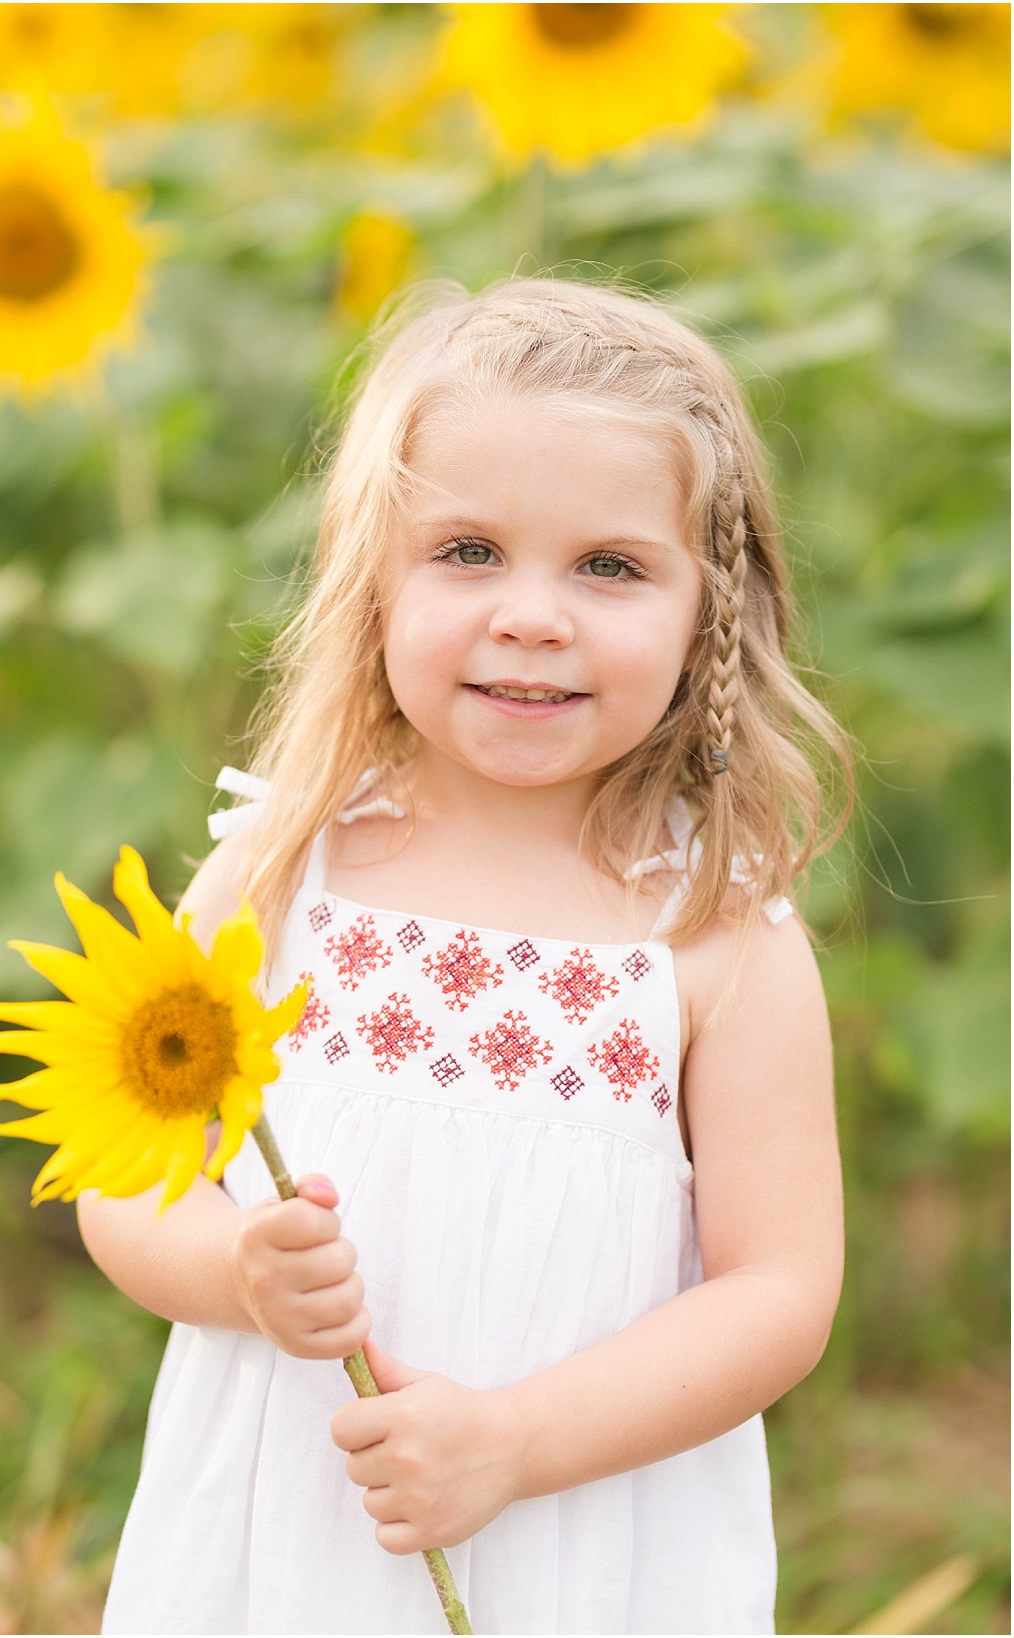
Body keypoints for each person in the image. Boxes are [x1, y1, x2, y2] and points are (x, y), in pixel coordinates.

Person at [82, 279, 849, 1634]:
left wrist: (512, 1442)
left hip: (584, 1527)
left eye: (609, 566)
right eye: (468, 550)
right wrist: (237, 1268)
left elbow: (777, 1290)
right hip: (294, 1524)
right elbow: (125, 1183)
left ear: (708, 610)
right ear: (374, 574)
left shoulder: (715, 934)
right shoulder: (277, 876)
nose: (532, 615)